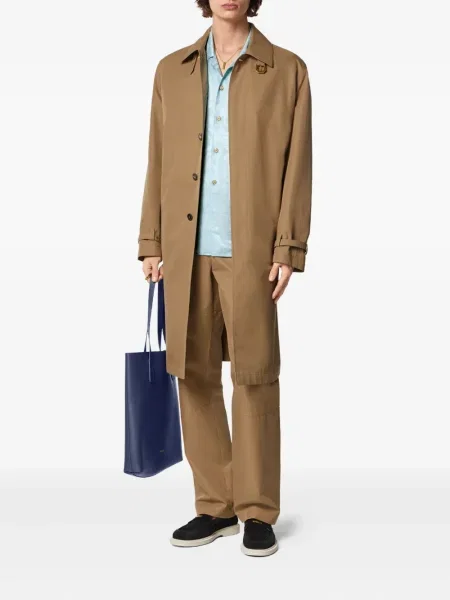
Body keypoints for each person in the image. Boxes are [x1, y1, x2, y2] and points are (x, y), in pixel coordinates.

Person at [137, 0, 312, 557]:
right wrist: (151, 240)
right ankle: (215, 506)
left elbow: (297, 165)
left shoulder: (286, 69)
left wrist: (288, 246)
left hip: (252, 252)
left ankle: (257, 509)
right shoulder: (172, 70)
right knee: (193, 374)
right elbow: (158, 158)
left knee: (255, 375)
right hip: (185, 251)